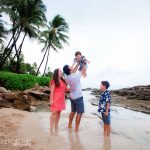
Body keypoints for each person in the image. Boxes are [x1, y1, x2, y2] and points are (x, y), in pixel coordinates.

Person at [63, 62, 86, 132]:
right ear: (70, 70)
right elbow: (84, 69)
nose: (71, 66)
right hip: (78, 97)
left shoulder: (66, 77)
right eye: (70, 66)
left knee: (73, 111)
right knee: (79, 113)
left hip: (72, 97)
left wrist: (78, 63)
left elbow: (74, 70)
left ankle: (69, 125)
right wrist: (83, 61)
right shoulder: (75, 76)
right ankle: (76, 129)